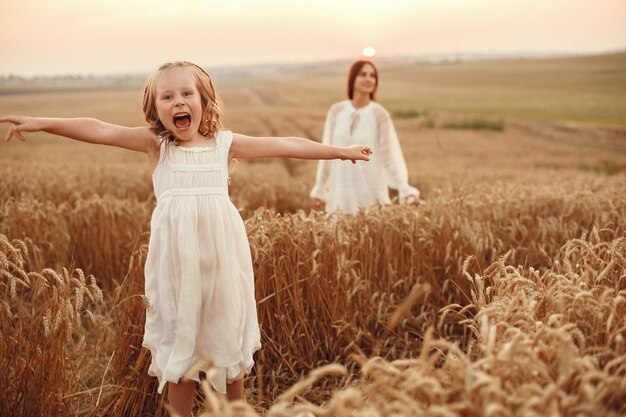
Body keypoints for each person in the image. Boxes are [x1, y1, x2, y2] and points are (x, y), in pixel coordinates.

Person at [1, 61, 371, 417]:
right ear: (155, 109)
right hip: (178, 270)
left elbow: (285, 143)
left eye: (186, 93)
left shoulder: (224, 145)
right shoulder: (156, 146)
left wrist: (339, 152)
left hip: (224, 264)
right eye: (167, 97)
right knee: (183, 349)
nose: (178, 101)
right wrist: (40, 123)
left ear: (203, 101)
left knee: (227, 342)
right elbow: (98, 129)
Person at [310, 60, 420, 213]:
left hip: (369, 191)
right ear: (352, 79)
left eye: (373, 76)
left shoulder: (380, 115)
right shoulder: (336, 111)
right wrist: (320, 189)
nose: (369, 79)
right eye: (363, 74)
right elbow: (327, 153)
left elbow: (388, 157)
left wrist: (405, 188)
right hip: (340, 191)